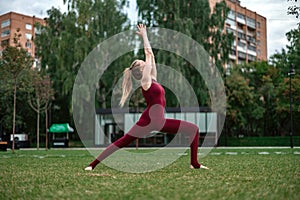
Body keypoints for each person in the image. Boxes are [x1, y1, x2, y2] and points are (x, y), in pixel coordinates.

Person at [85, 24, 208, 171]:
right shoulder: (145, 82)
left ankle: (194, 163)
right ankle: (92, 165)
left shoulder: (152, 78)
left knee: (193, 129)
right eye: (142, 62)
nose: (144, 61)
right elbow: (148, 52)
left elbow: (151, 55)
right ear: (142, 69)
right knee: (122, 142)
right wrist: (144, 35)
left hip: (148, 119)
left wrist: (146, 43)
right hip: (156, 122)